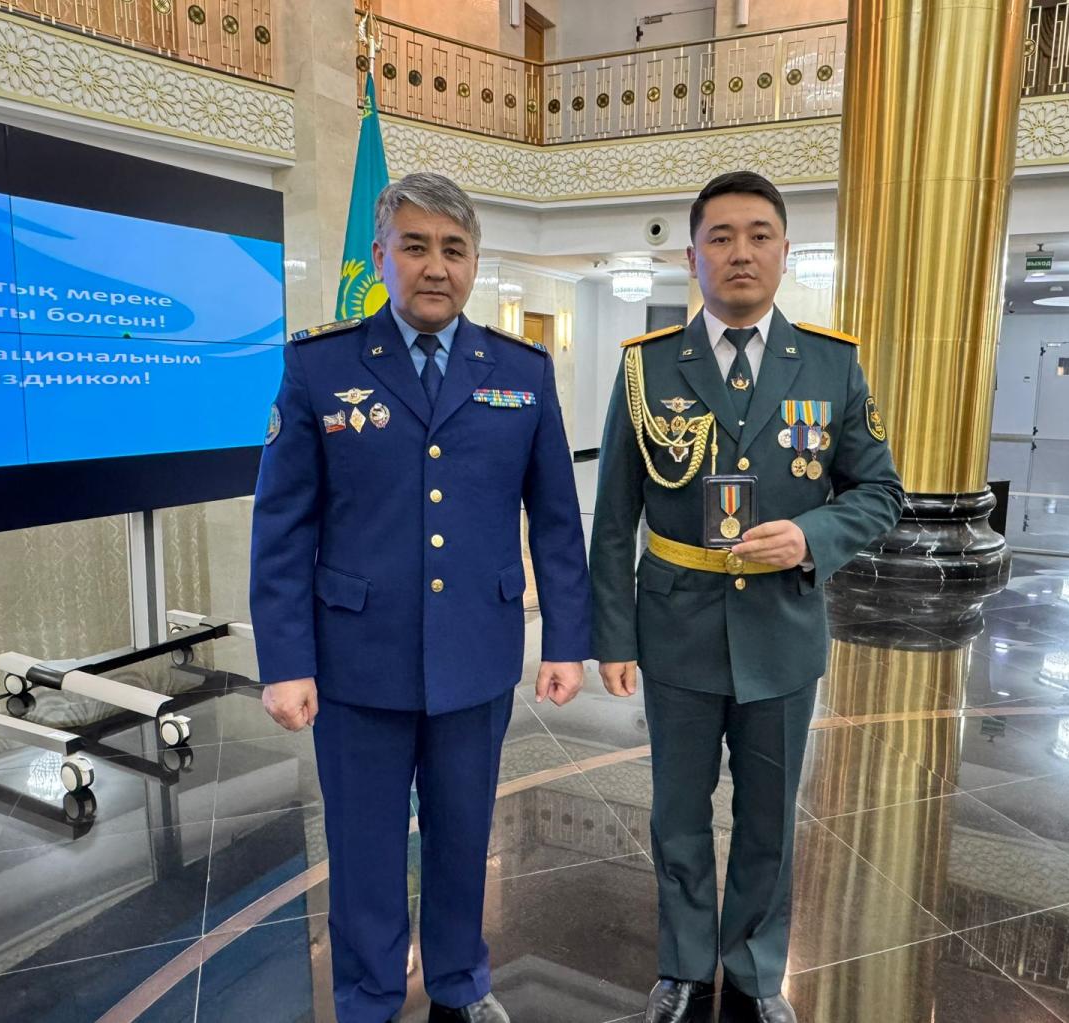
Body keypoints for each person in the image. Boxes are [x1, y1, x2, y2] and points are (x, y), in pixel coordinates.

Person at [250, 172, 591, 1023]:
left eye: (454, 248)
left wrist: (565, 640)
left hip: (477, 650)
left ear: (474, 261)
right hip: (356, 658)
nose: (436, 266)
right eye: (416, 246)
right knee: (363, 842)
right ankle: (368, 994)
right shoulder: (320, 365)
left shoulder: (521, 370)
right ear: (381, 256)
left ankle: (459, 981)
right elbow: (283, 525)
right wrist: (285, 661)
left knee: (464, 832)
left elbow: (556, 520)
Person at [589, 171, 904, 1023]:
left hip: (782, 628)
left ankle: (758, 970)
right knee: (678, 814)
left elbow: (880, 492)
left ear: (785, 251)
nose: (740, 252)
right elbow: (613, 516)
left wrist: (812, 536)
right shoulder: (648, 367)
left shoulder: (831, 364)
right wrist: (612, 637)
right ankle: (685, 965)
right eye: (720, 237)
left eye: (759, 235)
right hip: (677, 626)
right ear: (691, 256)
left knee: (769, 817)